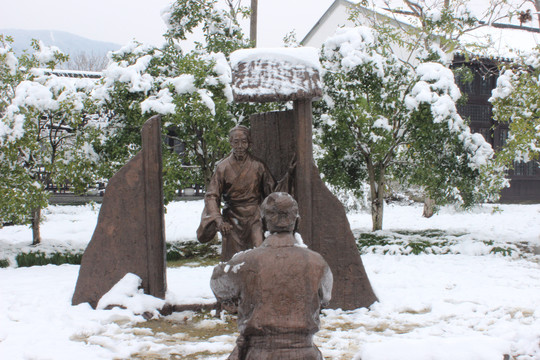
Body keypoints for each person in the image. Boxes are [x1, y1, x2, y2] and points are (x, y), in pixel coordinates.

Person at [210, 192, 333, 360]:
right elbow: (325, 298)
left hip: (258, 354)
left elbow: (219, 285)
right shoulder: (318, 262)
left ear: (262, 223)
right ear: (297, 222)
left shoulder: (244, 262)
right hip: (305, 354)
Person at [197, 125, 285, 261]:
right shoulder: (223, 167)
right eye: (236, 142)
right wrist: (219, 221)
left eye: (244, 142)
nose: (240, 146)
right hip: (232, 218)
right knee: (232, 261)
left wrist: (288, 179)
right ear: (230, 143)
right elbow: (211, 196)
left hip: (254, 216)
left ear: (249, 143)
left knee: (259, 254)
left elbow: (272, 191)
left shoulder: (258, 165)